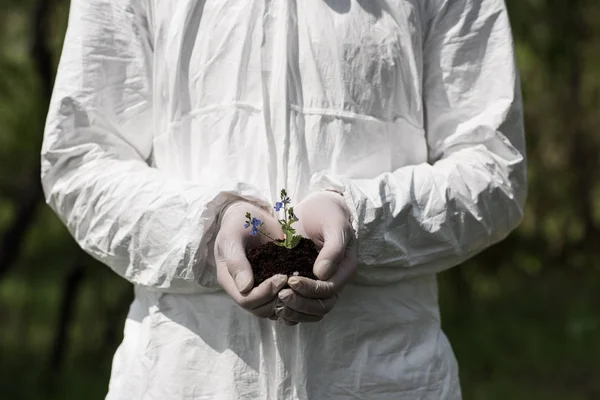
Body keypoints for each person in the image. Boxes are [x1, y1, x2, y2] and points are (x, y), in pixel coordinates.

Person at [41, 0, 526, 398]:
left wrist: (362, 218)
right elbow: (80, 160)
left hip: (386, 379)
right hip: (183, 378)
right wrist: (209, 227)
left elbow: (494, 168)